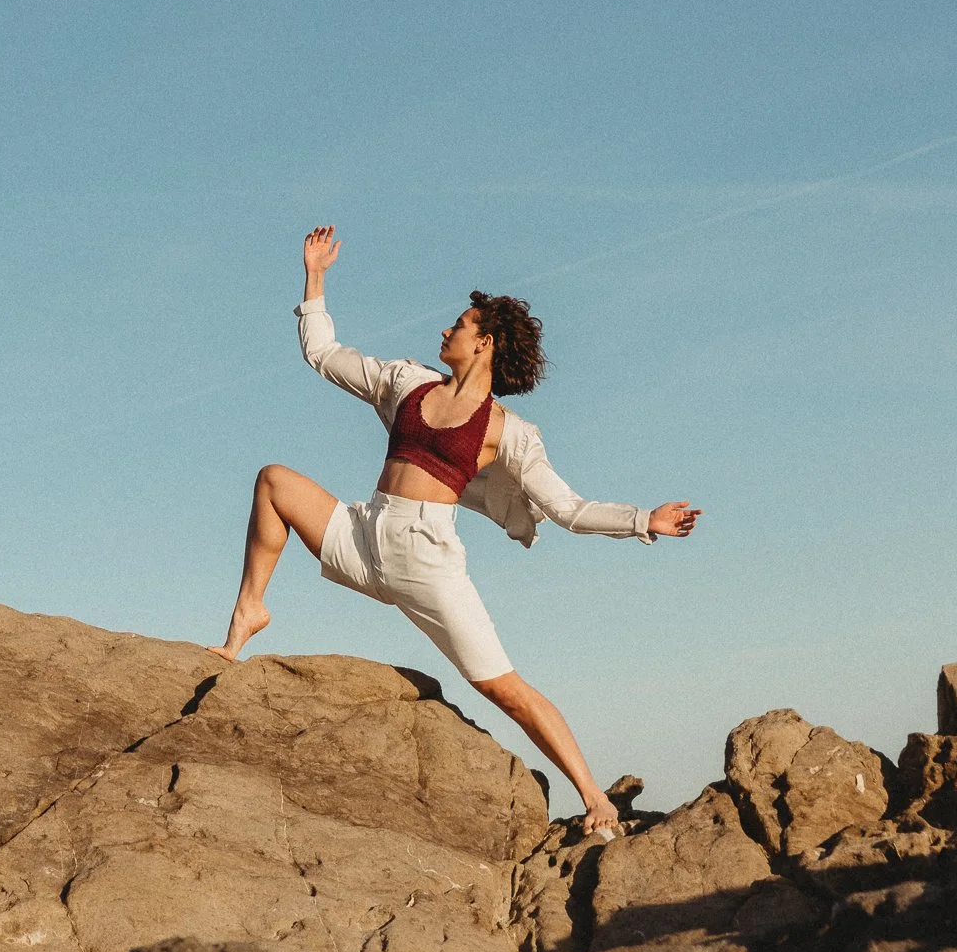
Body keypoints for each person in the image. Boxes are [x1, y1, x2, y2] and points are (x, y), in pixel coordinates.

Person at [210, 226, 701, 839]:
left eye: (460, 325)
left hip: (428, 562)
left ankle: (593, 794)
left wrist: (641, 521)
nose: (446, 331)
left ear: (485, 342)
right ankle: (247, 617)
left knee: (505, 689)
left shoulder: (508, 432)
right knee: (274, 481)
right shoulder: (405, 382)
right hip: (366, 535)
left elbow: (569, 509)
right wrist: (315, 278)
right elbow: (323, 354)